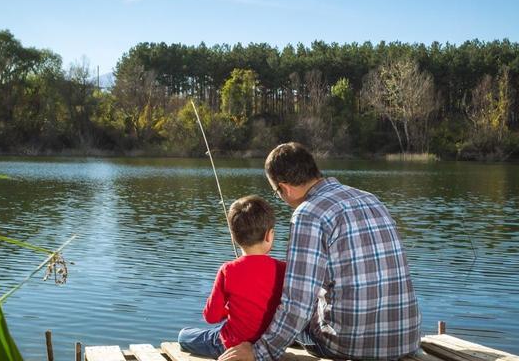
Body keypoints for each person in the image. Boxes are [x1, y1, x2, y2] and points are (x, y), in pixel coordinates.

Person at [219, 142, 421, 361]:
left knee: (276, 312)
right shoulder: (370, 198)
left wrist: (258, 353)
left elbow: (297, 304)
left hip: (349, 346)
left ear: (285, 188)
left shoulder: (308, 214)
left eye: (278, 193)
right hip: (405, 339)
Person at [179, 195, 287, 359]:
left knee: (184, 336)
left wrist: (228, 309)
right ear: (269, 235)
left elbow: (211, 316)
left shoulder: (228, 270)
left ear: (234, 236)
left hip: (230, 346)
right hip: (267, 345)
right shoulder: (283, 269)